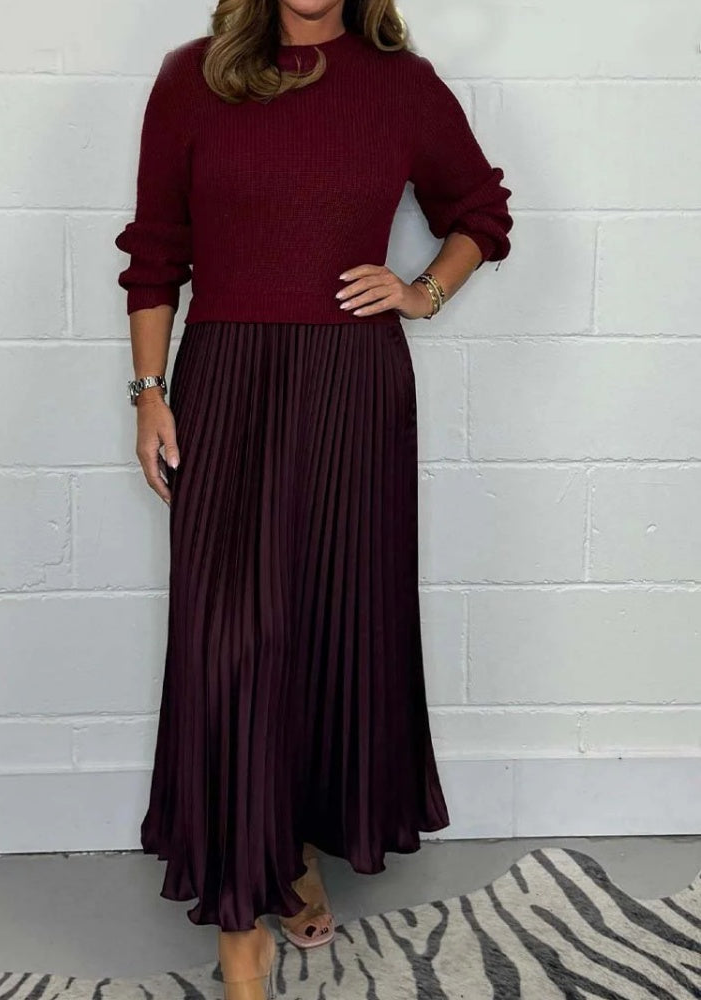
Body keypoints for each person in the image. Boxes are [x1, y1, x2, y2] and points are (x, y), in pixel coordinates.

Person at [114, 1, 513, 996]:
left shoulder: (401, 85)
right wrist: (150, 393)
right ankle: (238, 917)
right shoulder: (193, 76)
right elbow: (156, 251)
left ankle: (289, 849)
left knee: (324, 628)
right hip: (227, 383)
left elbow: (482, 212)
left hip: (352, 388)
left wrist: (421, 290)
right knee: (229, 641)